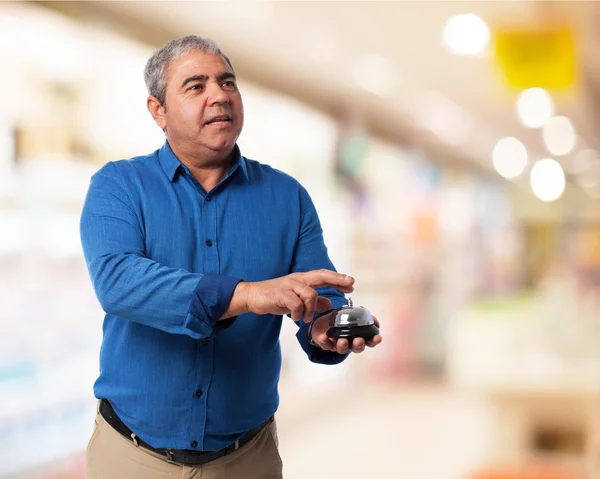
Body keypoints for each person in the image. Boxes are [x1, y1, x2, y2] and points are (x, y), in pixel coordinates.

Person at [80, 35, 383, 479]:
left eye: (227, 83)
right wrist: (246, 296)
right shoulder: (119, 186)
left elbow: (318, 297)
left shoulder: (287, 197)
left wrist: (324, 329)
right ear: (157, 111)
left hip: (248, 459)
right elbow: (118, 282)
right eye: (196, 86)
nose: (219, 95)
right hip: (132, 457)